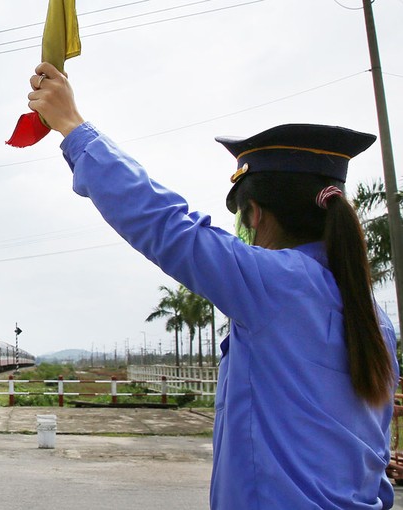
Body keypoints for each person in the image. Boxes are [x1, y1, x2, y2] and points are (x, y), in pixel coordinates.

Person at [26, 62, 400, 509]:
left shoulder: (274, 284)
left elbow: (165, 224)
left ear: (255, 215)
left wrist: (73, 127)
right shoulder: (374, 320)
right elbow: (376, 457)